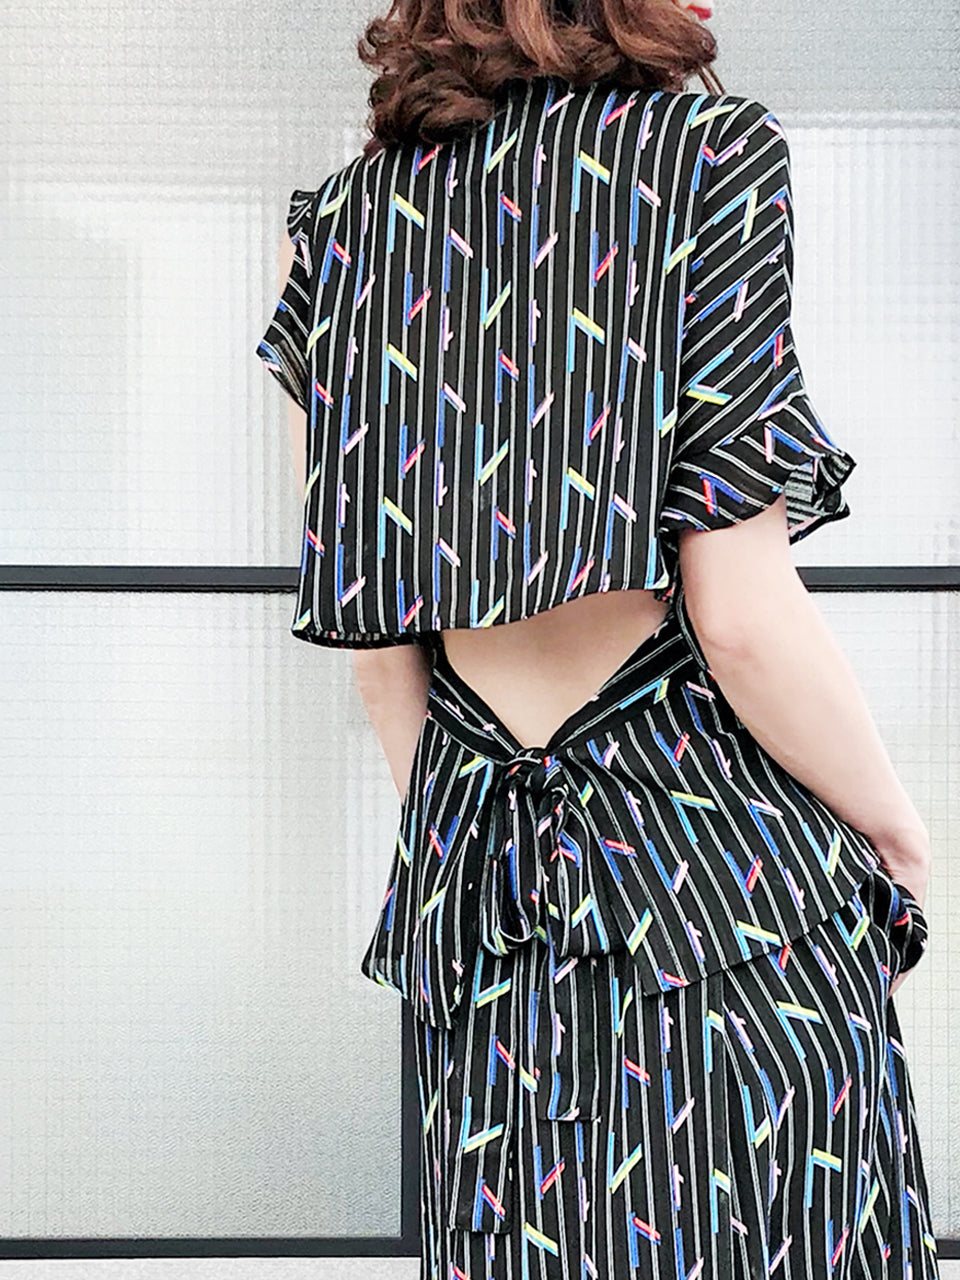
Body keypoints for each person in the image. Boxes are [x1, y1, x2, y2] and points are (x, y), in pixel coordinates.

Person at [255, 1, 938, 1274]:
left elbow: (379, 649)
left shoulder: (345, 224)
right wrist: (896, 832)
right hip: (717, 898)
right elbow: (740, 615)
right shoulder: (708, 154)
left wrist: (491, 855)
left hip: (490, 907)